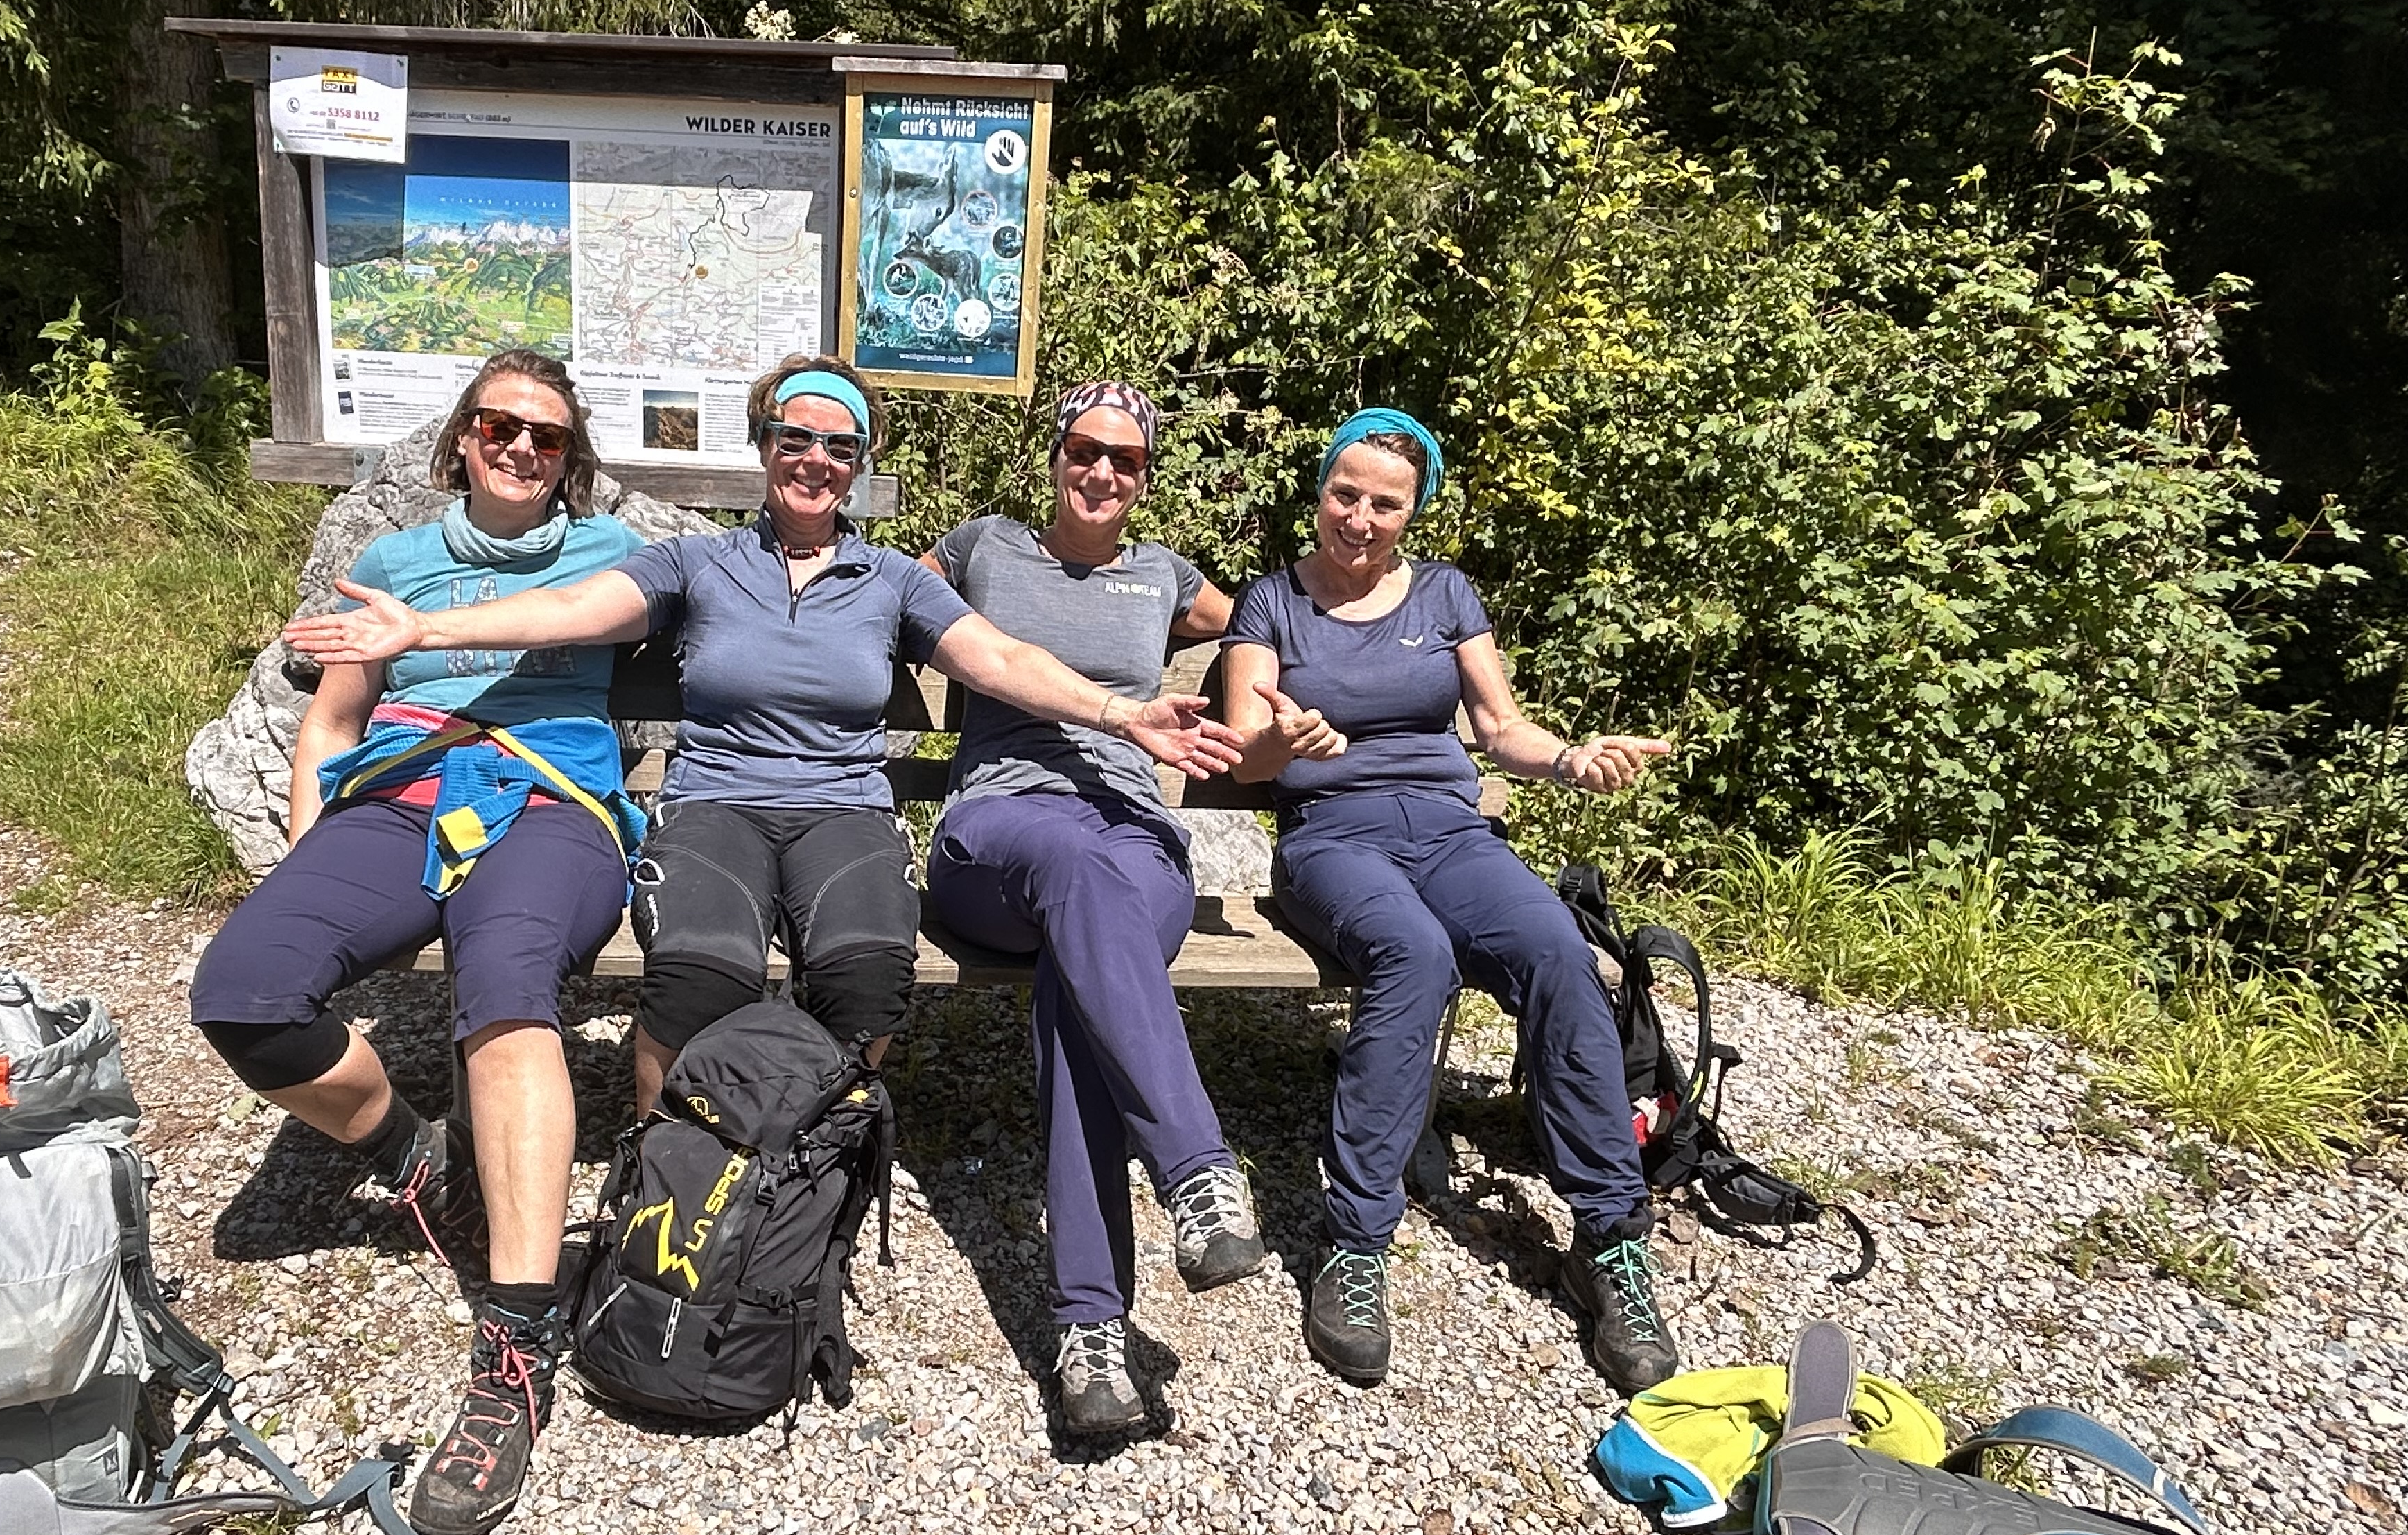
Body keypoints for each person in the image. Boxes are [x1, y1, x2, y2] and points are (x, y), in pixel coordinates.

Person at [284, 352, 1243, 1169]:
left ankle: (816, 1165)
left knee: (870, 978)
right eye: (796, 437)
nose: (816, 460)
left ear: (859, 467)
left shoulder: (894, 579)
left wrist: (1124, 714)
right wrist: (427, 628)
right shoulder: (699, 563)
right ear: (764, 445)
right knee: (697, 973)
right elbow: (573, 609)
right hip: (717, 805)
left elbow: (998, 657)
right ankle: (660, 1168)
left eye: (840, 447)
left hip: (845, 811)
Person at [189, 350, 644, 1535]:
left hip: (549, 803)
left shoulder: (613, 553)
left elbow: (602, 618)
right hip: (398, 799)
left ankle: (518, 1343)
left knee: (507, 993)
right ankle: (415, 1156)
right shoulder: (389, 562)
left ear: (570, 460)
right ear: (461, 441)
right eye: (500, 425)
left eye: (548, 436)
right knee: (244, 990)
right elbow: (333, 720)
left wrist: (424, 628)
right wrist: (307, 849)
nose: (522, 447)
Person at [1223, 406, 1683, 1395]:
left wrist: (1569, 759)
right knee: (1414, 955)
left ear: (1413, 512)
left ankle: (1610, 1240)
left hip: (1450, 830)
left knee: (1558, 952)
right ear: (1319, 492)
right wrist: (1283, 743)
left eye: (1384, 505)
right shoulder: (1271, 602)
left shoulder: (1445, 594)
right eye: (1344, 494)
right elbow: (1242, 747)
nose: (1359, 519)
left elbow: (1500, 728)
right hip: (1330, 836)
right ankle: (1355, 1244)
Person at [921, 382, 1267, 1434]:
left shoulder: (1165, 576)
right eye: (1084, 449)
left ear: (1147, 476)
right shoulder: (984, 547)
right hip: (999, 832)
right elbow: (883, 595)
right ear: (1055, 454)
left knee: (1084, 998)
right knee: (1077, 875)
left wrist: (1280, 702)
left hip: (1136, 840)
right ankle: (1198, 1172)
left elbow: (1267, 620)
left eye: (1127, 459)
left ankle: (1093, 1337)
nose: (1103, 472)